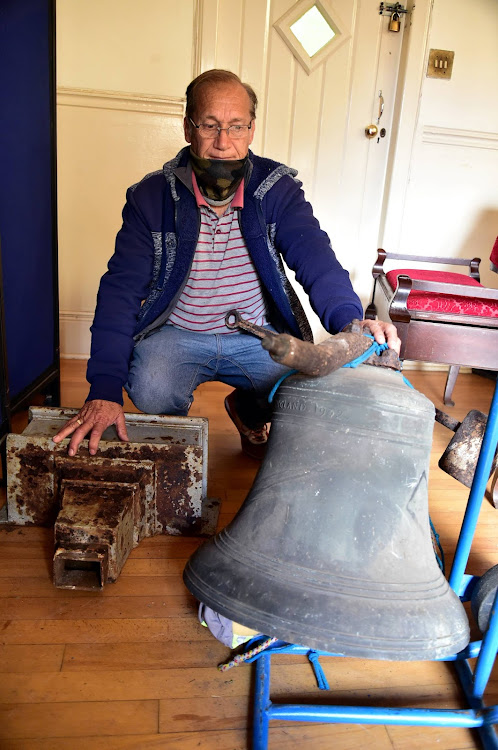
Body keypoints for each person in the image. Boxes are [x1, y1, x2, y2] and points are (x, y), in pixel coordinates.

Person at [53, 69, 400, 460]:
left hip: (257, 336)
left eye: (236, 127)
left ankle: (248, 409)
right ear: (188, 128)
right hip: (179, 334)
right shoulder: (150, 197)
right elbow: (120, 292)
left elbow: (317, 260)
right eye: (210, 126)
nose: (223, 143)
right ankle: (177, 442)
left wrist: (351, 324)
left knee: (303, 388)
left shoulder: (276, 189)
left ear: (252, 130)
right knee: (151, 385)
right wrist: (102, 390)